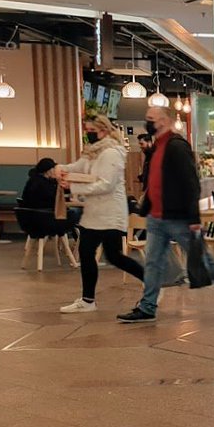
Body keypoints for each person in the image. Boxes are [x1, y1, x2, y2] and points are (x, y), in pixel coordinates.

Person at [117, 105, 214, 324]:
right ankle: (147, 306)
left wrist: (193, 219)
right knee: (153, 263)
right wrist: (144, 209)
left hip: (178, 218)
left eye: (150, 119)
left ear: (163, 120)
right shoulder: (157, 148)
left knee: (203, 260)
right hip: (156, 218)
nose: (147, 122)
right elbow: (155, 183)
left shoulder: (177, 147)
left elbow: (191, 184)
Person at [55, 115, 144, 313]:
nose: (88, 135)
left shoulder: (111, 153)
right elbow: (78, 167)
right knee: (87, 253)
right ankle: (88, 300)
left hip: (110, 214)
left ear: (102, 130)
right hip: (94, 214)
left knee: (114, 256)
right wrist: (61, 169)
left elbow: (106, 184)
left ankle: (152, 282)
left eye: (90, 131)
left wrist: (73, 187)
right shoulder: (93, 152)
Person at [19, 158, 78, 236]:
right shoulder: (42, 183)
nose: (55, 171)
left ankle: (73, 241)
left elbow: (52, 195)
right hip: (44, 218)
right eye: (54, 169)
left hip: (32, 217)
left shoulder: (35, 180)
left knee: (70, 213)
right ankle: (79, 242)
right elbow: (53, 197)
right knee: (75, 213)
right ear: (48, 170)